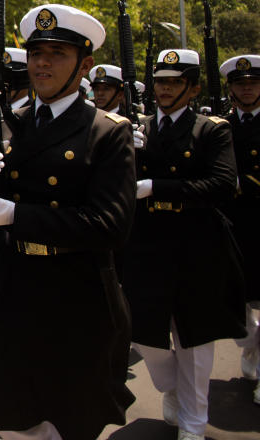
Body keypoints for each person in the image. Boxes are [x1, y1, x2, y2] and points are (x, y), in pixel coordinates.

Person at [0, 4, 135, 440]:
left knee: (71, 422)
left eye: (57, 53)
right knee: (15, 421)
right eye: (36, 52)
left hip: (76, 298)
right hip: (15, 292)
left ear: (85, 66)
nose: (41, 63)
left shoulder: (106, 131)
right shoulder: (13, 124)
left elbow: (110, 225)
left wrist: (19, 216)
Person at [122, 48, 244, 440]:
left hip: (196, 248)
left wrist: (157, 186)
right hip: (147, 248)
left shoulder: (212, 130)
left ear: (192, 88)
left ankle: (193, 425)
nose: (165, 89)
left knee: (194, 342)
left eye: (174, 82)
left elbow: (223, 184)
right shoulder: (136, 127)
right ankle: (171, 387)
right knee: (142, 334)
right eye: (160, 81)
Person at [219, 55, 260, 393]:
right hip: (230, 223)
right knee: (238, 298)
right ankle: (252, 339)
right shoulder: (220, 126)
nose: (246, 89)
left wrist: (241, 182)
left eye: (252, 83)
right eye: (240, 84)